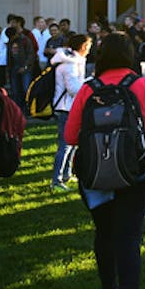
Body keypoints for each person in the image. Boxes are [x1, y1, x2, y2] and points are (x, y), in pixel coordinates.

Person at [64, 32, 145, 289]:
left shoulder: (88, 89)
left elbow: (71, 137)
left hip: (95, 174)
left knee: (105, 234)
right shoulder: (143, 85)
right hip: (136, 172)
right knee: (128, 238)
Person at [50, 33, 92, 190]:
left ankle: (67, 174)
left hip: (72, 108)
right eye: (88, 47)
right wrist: (90, 81)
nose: (88, 50)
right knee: (65, 144)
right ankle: (56, 180)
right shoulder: (69, 64)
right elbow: (74, 89)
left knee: (73, 143)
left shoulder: (74, 62)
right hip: (65, 108)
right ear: (82, 47)